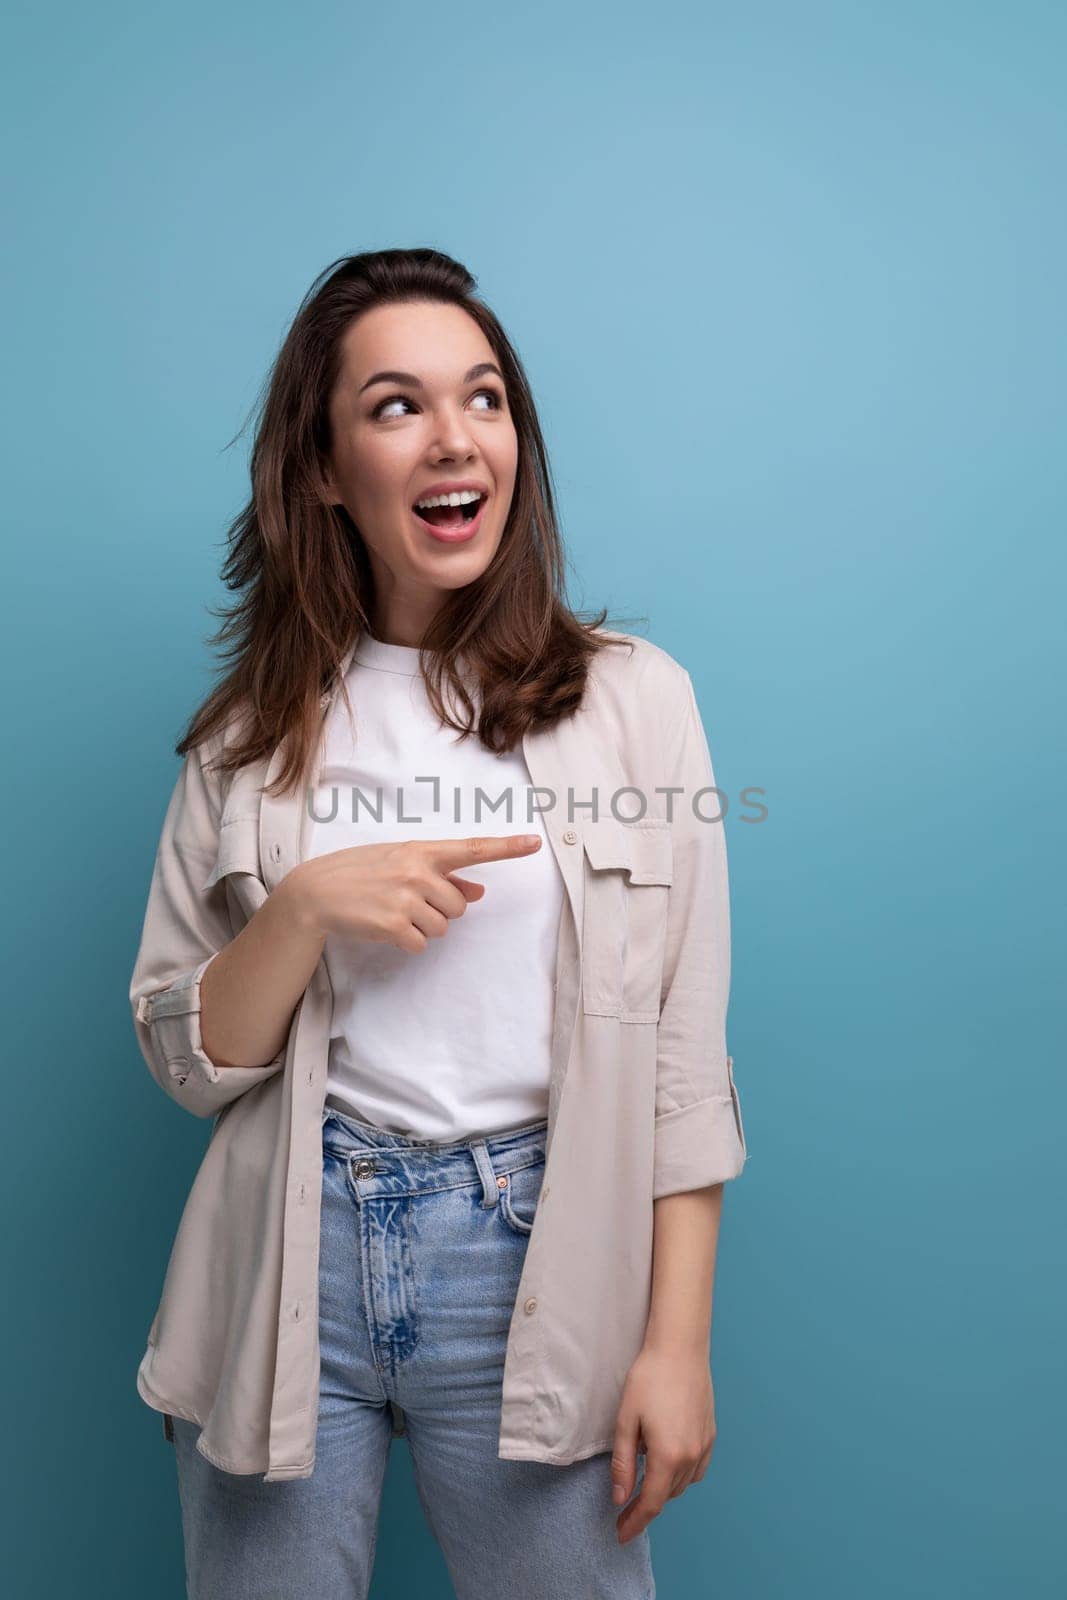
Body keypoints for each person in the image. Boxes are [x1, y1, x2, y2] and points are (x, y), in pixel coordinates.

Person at [129, 246, 748, 1599]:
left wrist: (676, 1345)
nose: (455, 437)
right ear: (320, 468)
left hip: (539, 1253)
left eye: (484, 398)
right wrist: (301, 912)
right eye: (396, 406)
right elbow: (186, 1062)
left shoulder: (636, 702)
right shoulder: (242, 743)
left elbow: (685, 1060)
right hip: (291, 1260)